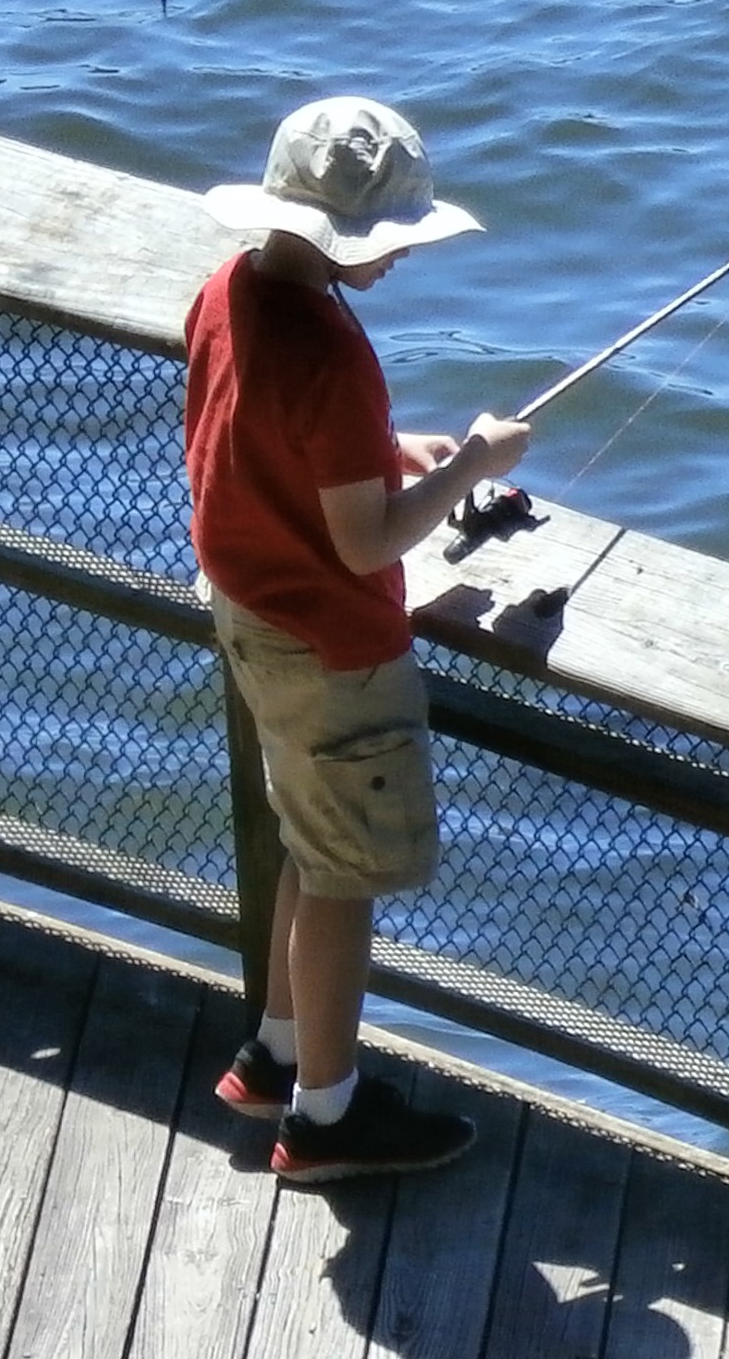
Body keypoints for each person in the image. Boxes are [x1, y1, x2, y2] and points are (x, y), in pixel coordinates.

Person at [184, 96, 530, 1182]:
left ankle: (277, 1056)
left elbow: (263, 428)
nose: (397, 260)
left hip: (249, 615)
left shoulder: (227, 290)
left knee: (309, 835)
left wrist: (386, 446)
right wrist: (470, 465)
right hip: (332, 647)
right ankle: (327, 1121)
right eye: (389, 240)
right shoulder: (334, 351)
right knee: (343, 877)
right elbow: (364, 539)